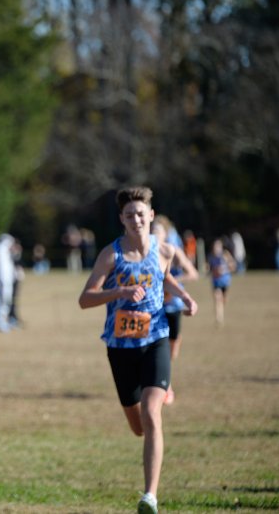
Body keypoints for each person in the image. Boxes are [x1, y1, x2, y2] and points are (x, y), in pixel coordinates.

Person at [79, 187, 198, 514]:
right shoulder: (111, 255)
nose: (136, 219)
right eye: (129, 215)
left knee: (151, 413)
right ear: (122, 219)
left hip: (156, 339)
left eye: (141, 214)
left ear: (151, 216)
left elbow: (164, 278)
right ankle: (149, 443)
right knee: (138, 426)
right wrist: (119, 291)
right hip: (120, 348)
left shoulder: (165, 250)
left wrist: (184, 297)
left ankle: (150, 496)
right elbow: (85, 298)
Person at [151, 215, 199, 404]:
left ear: (166, 233)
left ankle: (165, 379)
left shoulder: (173, 251)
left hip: (173, 306)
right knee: (156, 346)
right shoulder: (145, 252)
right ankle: (165, 387)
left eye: (158, 230)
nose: (154, 233)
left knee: (172, 350)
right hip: (155, 307)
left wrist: (171, 283)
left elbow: (192, 274)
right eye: (152, 230)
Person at [207, 237, 236, 326]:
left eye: (218, 246)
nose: (216, 248)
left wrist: (224, 269)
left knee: (223, 300)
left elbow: (233, 266)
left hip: (225, 281)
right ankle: (219, 318)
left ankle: (221, 312)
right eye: (215, 246)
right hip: (216, 281)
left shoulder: (225, 255)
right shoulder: (211, 256)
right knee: (217, 298)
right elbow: (209, 268)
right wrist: (211, 270)